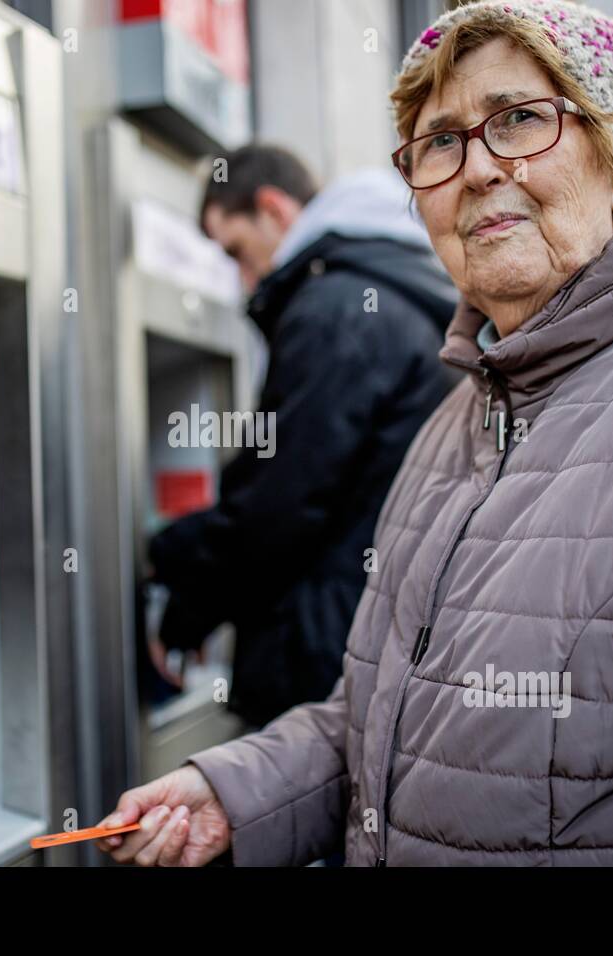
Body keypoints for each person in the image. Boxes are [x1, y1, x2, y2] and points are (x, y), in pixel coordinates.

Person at [99, 0, 613, 867]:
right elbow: (370, 715)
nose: (475, 170)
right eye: (440, 144)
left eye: (518, 121)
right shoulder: (450, 426)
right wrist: (232, 793)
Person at [146, 147, 461, 729]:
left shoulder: (334, 309)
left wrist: (177, 587)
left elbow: (279, 503)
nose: (244, 279)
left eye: (237, 252)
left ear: (273, 208)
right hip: (385, 637)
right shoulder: (397, 289)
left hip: (324, 656)